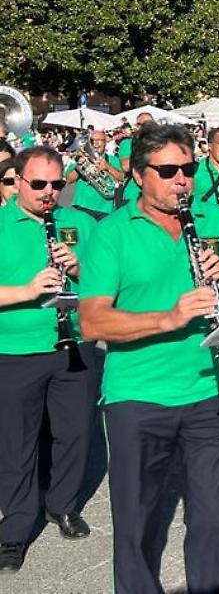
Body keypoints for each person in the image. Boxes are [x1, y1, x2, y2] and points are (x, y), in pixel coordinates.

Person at [77, 122, 219, 594]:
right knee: (136, 525)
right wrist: (170, 317)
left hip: (210, 392)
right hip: (137, 398)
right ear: (139, 175)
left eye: (188, 168)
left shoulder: (211, 219)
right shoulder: (110, 233)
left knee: (211, 519)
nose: (182, 179)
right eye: (168, 170)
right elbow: (93, 322)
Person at [0, 147, 96, 573]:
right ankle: (15, 529)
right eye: (38, 184)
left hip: (73, 344)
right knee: (16, 446)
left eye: (57, 185)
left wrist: (79, 270)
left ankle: (63, 505)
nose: (48, 193)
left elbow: (109, 284)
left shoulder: (79, 223)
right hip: (15, 350)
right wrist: (27, 290)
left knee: (75, 432)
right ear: (17, 180)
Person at [65, 128, 124, 219]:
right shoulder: (80, 158)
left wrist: (108, 167)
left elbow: (122, 178)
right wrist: (79, 167)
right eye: (93, 141)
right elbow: (69, 179)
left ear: (105, 142)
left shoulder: (113, 160)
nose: (96, 144)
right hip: (83, 205)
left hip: (105, 208)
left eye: (99, 140)